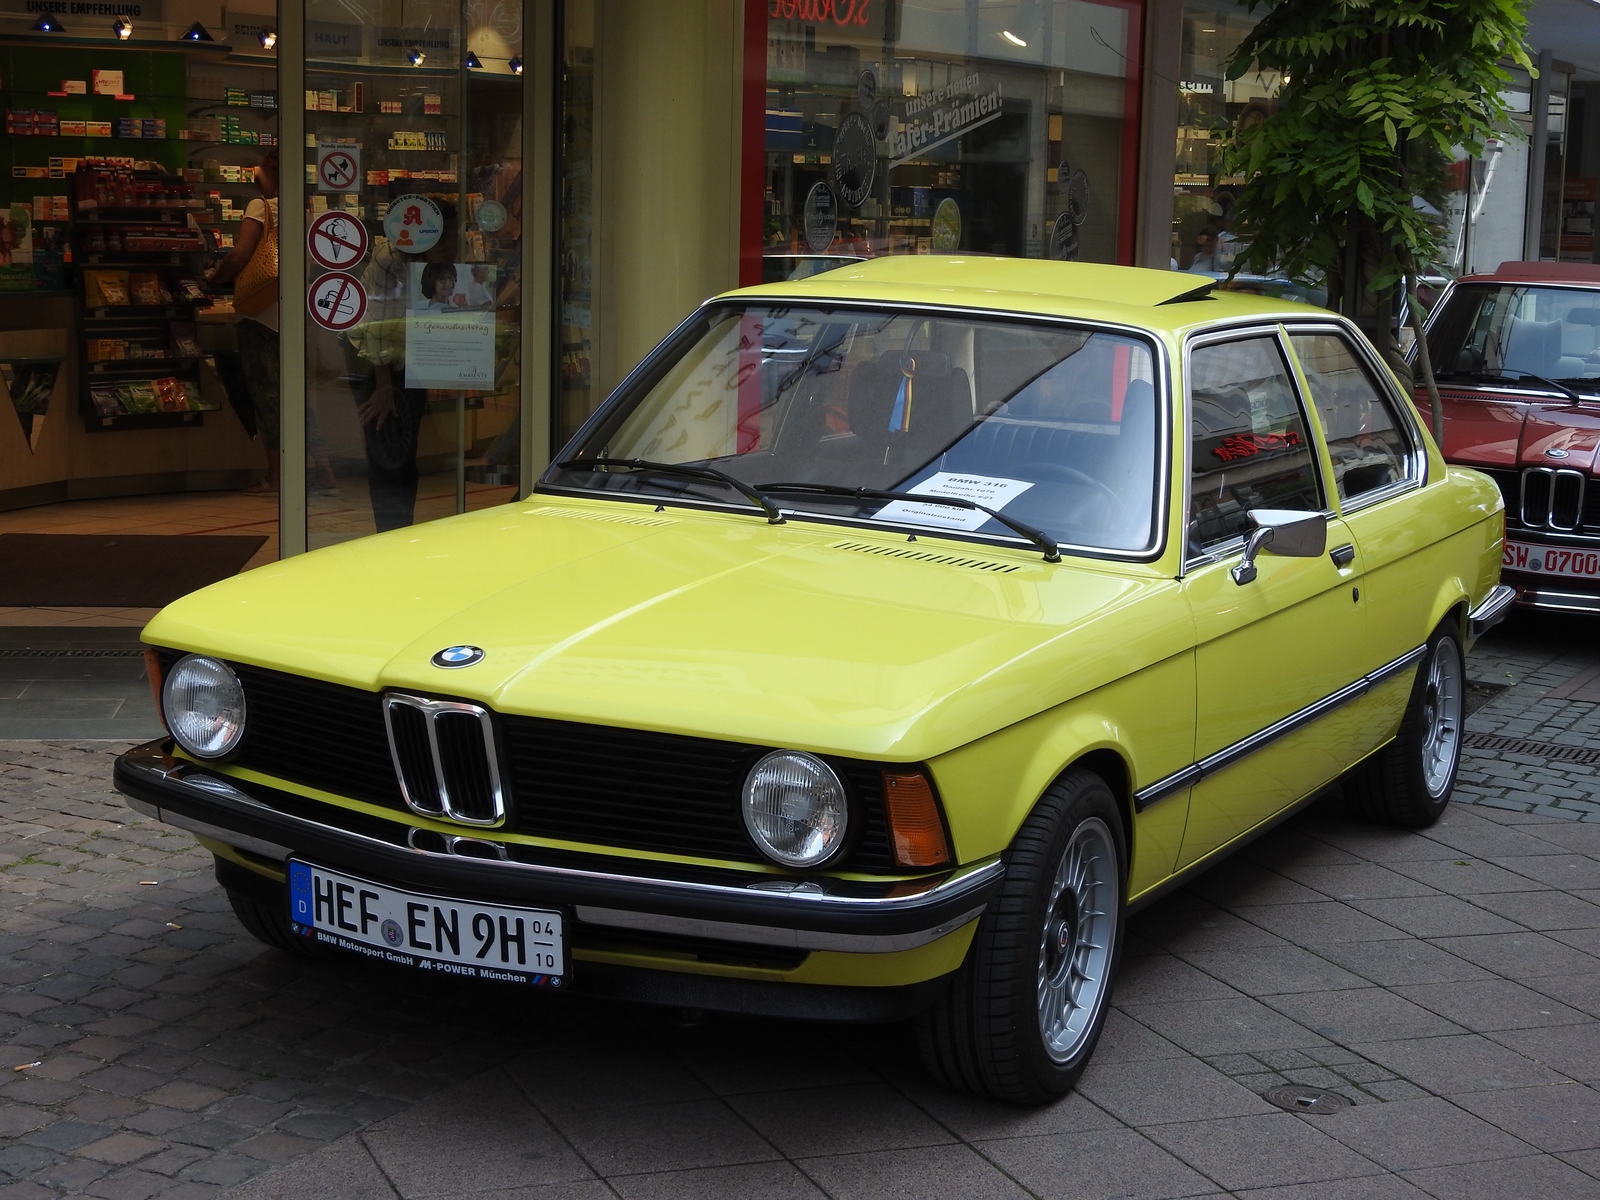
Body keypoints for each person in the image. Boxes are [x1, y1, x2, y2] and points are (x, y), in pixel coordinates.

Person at [207, 150, 337, 496]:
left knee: (267, 395)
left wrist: (216, 279)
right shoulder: (307, 211)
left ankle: (276, 477)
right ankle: (325, 473)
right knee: (297, 396)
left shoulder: (261, 207)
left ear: (267, 173)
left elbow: (239, 254)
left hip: (261, 315)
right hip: (295, 315)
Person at [346, 201, 460, 531]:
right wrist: (383, 386)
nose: (453, 244)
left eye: (453, 235)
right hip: (372, 356)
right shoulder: (390, 259)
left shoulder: (436, 262)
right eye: (445, 237)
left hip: (408, 355)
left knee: (406, 448)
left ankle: (401, 530)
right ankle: (389, 533)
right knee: (386, 445)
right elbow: (376, 328)